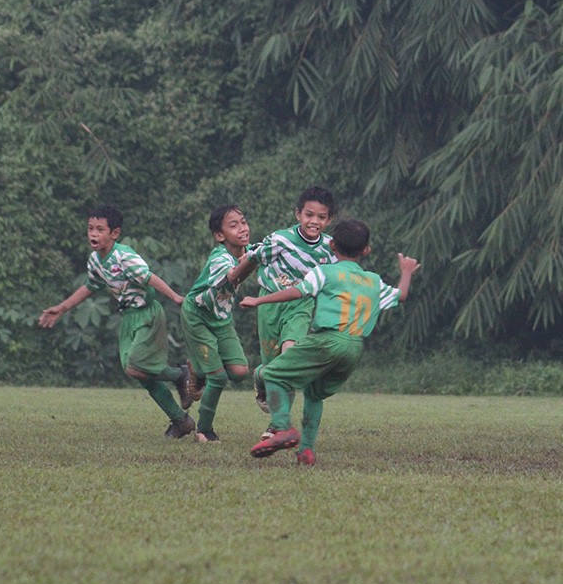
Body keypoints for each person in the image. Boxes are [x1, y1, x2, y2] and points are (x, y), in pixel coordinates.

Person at [240, 219, 419, 466]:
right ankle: (306, 451)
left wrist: (259, 301)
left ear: (332, 244)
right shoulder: (373, 281)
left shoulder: (324, 271)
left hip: (327, 341)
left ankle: (282, 428)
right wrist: (407, 272)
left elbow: (298, 291)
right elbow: (401, 295)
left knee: (272, 375)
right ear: (366, 250)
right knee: (314, 393)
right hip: (354, 348)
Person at [39, 204, 195, 438]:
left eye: (100, 229)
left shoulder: (124, 256)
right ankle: (180, 420)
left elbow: (149, 277)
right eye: (90, 228)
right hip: (128, 317)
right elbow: (90, 287)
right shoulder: (95, 260)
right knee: (137, 373)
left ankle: (180, 375)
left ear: (114, 233)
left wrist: (174, 297)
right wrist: (61, 309)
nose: (93, 233)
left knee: (136, 366)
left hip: (148, 313)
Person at [229, 186, 337, 415]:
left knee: (289, 358)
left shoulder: (330, 248)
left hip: (301, 304)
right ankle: (261, 376)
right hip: (269, 304)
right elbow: (254, 258)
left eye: (321, 217)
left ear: (329, 219)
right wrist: (234, 279)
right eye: (309, 215)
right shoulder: (280, 240)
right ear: (298, 214)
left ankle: (278, 426)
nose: (314, 221)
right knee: (272, 365)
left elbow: (337, 277)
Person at [180, 205, 253, 443]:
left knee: (241, 372)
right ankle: (204, 430)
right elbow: (230, 277)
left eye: (243, 222)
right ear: (220, 236)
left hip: (221, 319)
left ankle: (197, 370)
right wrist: (252, 259)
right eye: (234, 225)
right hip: (198, 316)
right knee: (219, 378)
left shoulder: (250, 250)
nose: (242, 228)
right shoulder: (219, 257)